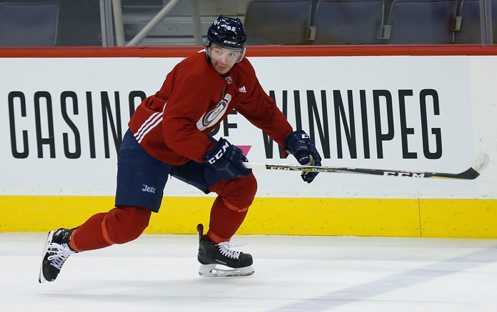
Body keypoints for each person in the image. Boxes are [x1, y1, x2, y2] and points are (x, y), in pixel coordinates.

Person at [38, 15, 322, 281]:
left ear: (242, 53)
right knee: (129, 225)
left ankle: (213, 247)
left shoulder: (241, 73)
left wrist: (291, 140)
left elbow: (262, 109)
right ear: (208, 47)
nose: (224, 59)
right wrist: (212, 151)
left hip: (188, 144)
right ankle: (65, 241)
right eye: (219, 51)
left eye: (232, 53)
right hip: (149, 145)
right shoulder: (195, 75)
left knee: (241, 185)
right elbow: (174, 130)